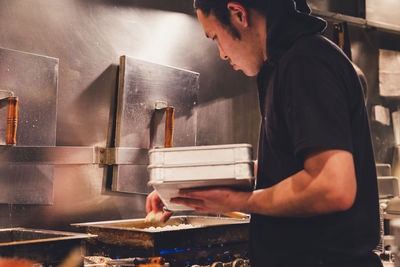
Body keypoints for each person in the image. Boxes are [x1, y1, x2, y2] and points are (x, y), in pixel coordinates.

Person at [146, 0, 382, 266]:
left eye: (215, 38)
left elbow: (330, 187)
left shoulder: (306, 62)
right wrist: (188, 188)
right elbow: (288, 168)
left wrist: (240, 201)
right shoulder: (280, 66)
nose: (222, 54)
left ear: (238, 14)